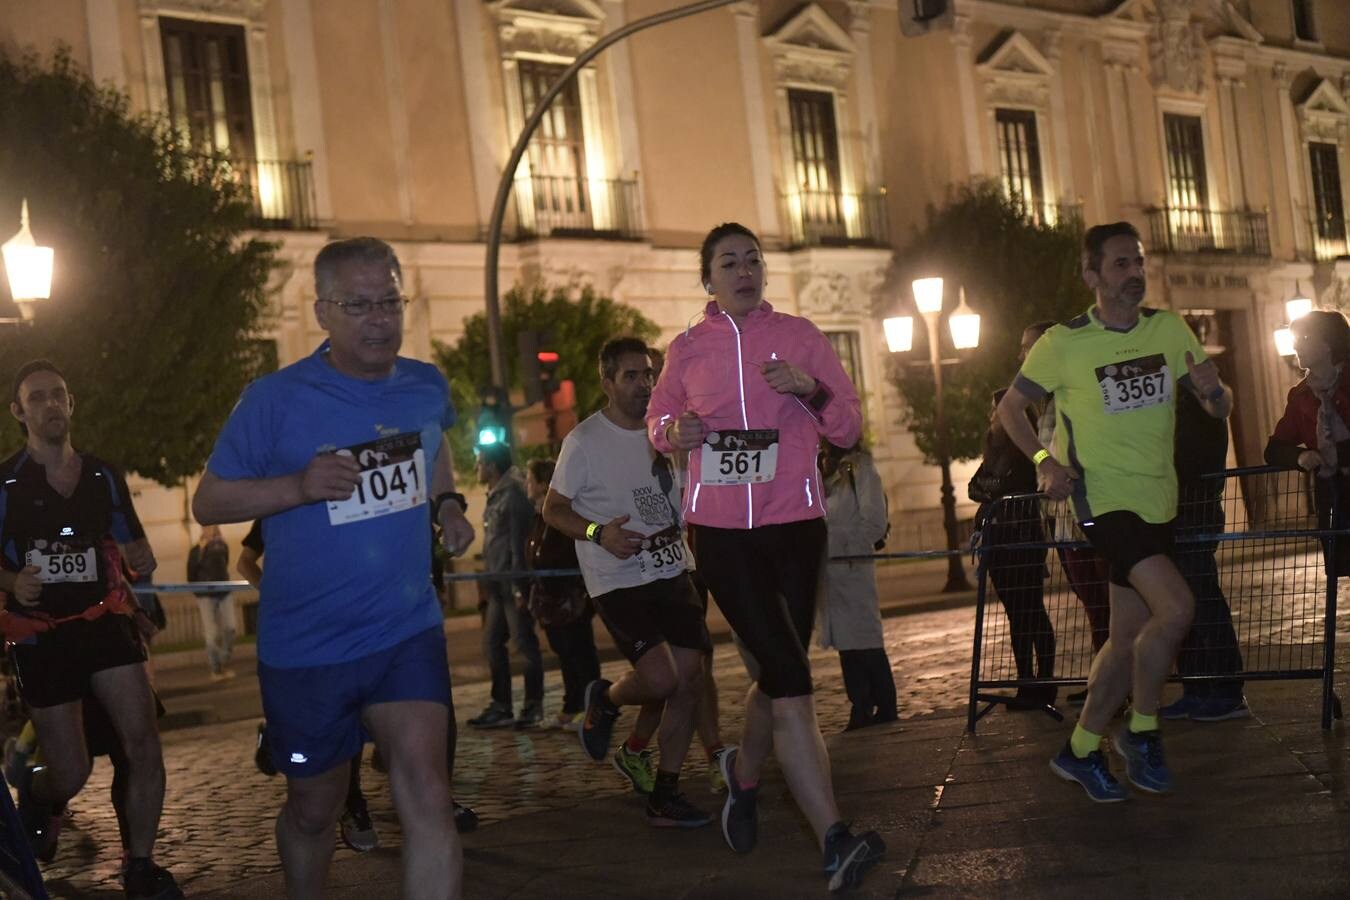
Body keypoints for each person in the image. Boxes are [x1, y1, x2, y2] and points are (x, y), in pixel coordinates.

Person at [192, 237, 476, 899]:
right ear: (322, 310)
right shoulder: (273, 399)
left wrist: (449, 505)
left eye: (390, 302)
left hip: (404, 629)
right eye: (359, 305)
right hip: (307, 646)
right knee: (316, 810)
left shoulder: (425, 384)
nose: (380, 318)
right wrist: (298, 485)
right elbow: (211, 498)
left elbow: (434, 450)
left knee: (429, 796)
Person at [647, 222, 885, 891]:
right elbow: (659, 421)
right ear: (708, 279)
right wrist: (676, 432)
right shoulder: (687, 349)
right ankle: (834, 839)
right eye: (729, 261)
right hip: (721, 535)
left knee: (783, 666)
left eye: (753, 259)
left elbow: (847, 425)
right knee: (792, 680)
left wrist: (810, 388)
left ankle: (743, 778)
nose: (745, 270)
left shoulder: (802, 336)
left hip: (795, 527)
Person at [996, 221, 1233, 802]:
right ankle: (1143, 731)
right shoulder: (1065, 341)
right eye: (1121, 264)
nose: (1134, 274)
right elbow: (1010, 409)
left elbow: (1218, 403)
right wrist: (1046, 461)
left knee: (1125, 640)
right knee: (1177, 608)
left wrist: (1214, 391)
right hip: (1103, 501)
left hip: (1160, 501)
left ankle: (1078, 750)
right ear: (1092, 274)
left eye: (1139, 262)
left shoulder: (1169, 328)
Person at [0, 359, 182, 898]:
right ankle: (39, 789)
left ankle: (142, 865)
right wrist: (12, 582)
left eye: (58, 394)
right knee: (72, 771)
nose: (50, 404)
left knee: (144, 744)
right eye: (37, 397)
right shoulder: (6, 483)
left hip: (104, 624)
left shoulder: (103, 474)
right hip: (41, 634)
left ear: (71, 403)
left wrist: (140, 558)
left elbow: (131, 542)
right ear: (19, 412)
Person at [544, 337, 713, 827]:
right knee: (661, 679)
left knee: (690, 680)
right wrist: (599, 533)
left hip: (671, 567)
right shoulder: (584, 441)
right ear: (608, 381)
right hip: (616, 575)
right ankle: (606, 699)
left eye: (649, 374)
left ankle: (665, 791)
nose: (644, 384)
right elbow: (553, 509)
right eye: (632, 376)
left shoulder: (666, 431)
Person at [234, 518, 379, 853]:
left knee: (351, 708)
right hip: (296, 632)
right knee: (308, 712)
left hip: (341, 623)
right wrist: (275, 595)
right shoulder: (276, 507)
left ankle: (353, 801)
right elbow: (244, 561)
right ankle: (279, 740)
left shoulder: (343, 501)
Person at [972, 323, 1057, 709]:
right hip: (1001, 539)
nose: (993, 416)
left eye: (998, 410)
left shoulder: (1024, 450)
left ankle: (1043, 681)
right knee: (1015, 614)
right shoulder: (993, 450)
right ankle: (1026, 681)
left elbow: (1005, 485)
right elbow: (978, 487)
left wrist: (994, 489)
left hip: (1022, 534)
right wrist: (992, 488)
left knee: (1030, 611)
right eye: (994, 410)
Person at [1162, 386, 1247, 721]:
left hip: (1191, 510)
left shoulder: (1198, 400)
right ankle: (1197, 687)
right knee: (1183, 603)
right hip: (1175, 510)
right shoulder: (1179, 400)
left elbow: (1191, 457)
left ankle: (1226, 689)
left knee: (1203, 600)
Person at [1264, 309, 1350, 579]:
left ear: (1327, 343)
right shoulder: (1301, 395)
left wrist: (1341, 455)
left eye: (1303, 337)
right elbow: (1274, 449)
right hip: (1336, 498)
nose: (1295, 344)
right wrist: (1302, 457)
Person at [818, 441, 898, 729]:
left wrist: (835, 540)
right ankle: (860, 703)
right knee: (845, 642)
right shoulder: (820, 467)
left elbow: (874, 522)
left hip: (851, 566)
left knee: (865, 638)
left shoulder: (861, 469)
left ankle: (884, 703)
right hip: (830, 570)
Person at [468, 442, 545, 729]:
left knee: (524, 644)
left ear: (491, 465)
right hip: (498, 584)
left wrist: (518, 587)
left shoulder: (512, 494)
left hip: (512, 583)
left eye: (479, 463)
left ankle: (532, 705)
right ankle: (501, 705)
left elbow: (517, 543)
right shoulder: (498, 493)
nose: (477, 468)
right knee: (491, 644)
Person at [523, 458, 600, 730]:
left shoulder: (565, 512)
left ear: (544, 484)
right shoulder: (538, 515)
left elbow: (570, 547)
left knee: (580, 650)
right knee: (564, 652)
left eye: (530, 480)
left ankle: (591, 708)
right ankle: (572, 704)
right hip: (549, 597)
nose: (527, 485)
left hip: (570, 595)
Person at [187, 524, 237, 681]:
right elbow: (191, 572)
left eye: (213, 527)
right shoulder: (196, 550)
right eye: (207, 527)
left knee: (231, 627)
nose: (211, 530)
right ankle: (216, 669)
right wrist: (199, 592)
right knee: (211, 633)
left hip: (224, 592)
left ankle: (224, 659)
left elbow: (225, 563)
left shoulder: (222, 546)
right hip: (206, 595)